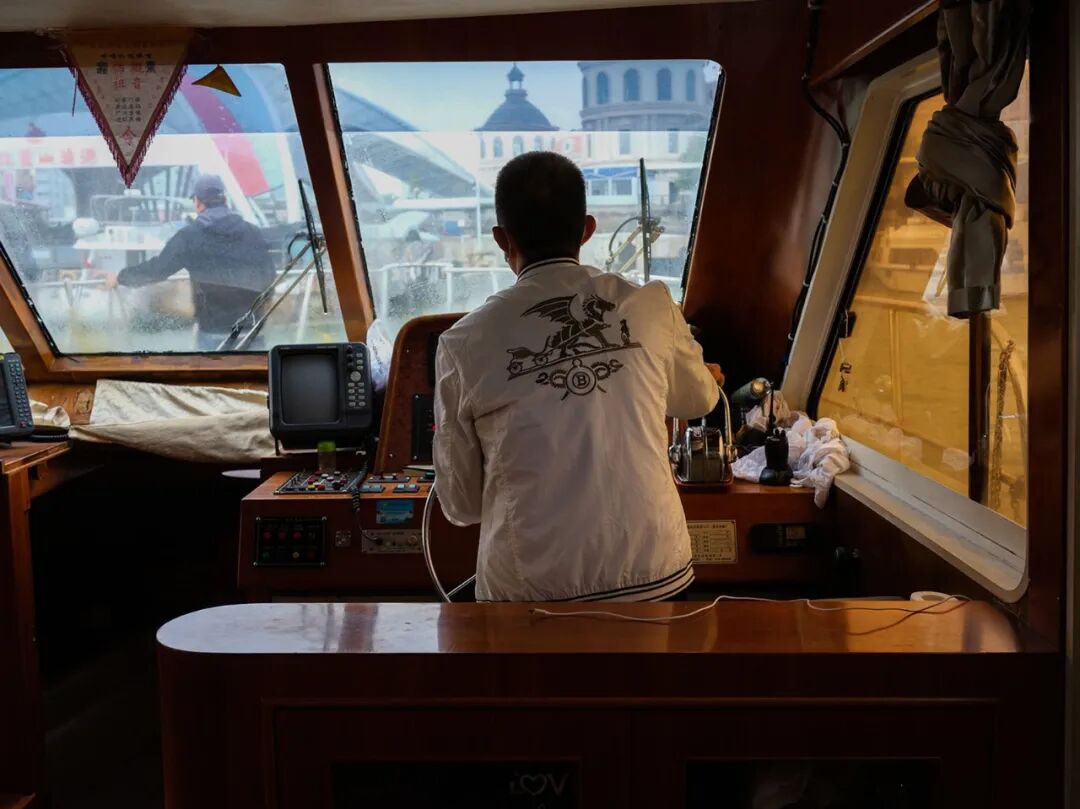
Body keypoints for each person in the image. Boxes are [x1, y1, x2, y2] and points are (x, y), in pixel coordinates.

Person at [433, 152, 723, 602]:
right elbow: (699, 400)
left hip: (529, 599)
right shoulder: (650, 305)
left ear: (501, 238)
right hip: (654, 578)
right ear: (587, 229)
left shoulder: (463, 343)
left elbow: (461, 505)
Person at [105, 174, 274, 350]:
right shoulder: (253, 233)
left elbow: (157, 270)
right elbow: (269, 275)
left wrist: (120, 278)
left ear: (198, 202)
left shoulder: (189, 237)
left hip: (213, 332)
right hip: (252, 331)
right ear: (224, 200)